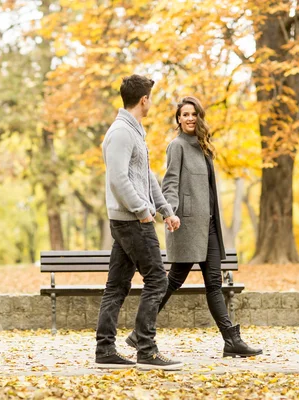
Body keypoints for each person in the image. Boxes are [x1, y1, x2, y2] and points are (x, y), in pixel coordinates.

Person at [126, 96, 262, 358]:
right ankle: (139, 332)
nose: (189, 118)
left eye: (194, 114)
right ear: (178, 119)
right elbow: (170, 184)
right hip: (186, 225)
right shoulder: (176, 146)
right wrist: (170, 214)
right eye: (184, 114)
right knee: (174, 280)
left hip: (209, 226)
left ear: (199, 117)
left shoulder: (203, 147)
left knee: (213, 282)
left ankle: (231, 340)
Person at [95, 74, 183, 370]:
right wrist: (144, 211)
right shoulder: (121, 132)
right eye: (151, 98)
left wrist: (165, 210)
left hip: (130, 218)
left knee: (117, 286)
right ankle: (146, 349)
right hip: (132, 221)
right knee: (157, 279)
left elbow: (147, 178)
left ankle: (104, 350)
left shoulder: (134, 131)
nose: (152, 103)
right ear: (144, 99)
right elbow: (118, 179)